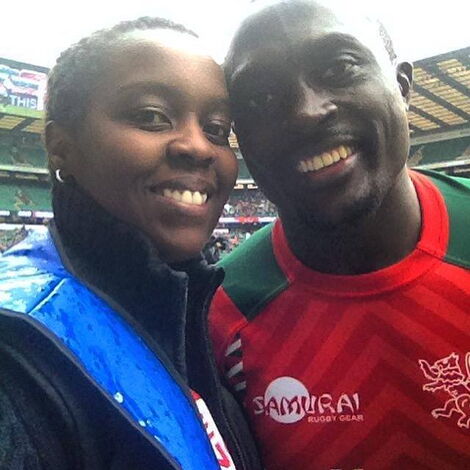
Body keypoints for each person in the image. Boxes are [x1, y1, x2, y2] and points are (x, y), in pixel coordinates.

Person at [209, 1, 470, 469]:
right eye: (261, 99)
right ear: (240, 137)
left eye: (340, 67)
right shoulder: (219, 313)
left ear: (402, 87)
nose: (307, 112)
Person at [0, 17, 262, 470]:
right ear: (61, 146)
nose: (199, 146)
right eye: (151, 117)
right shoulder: (17, 359)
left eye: (218, 128)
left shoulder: (197, 318)